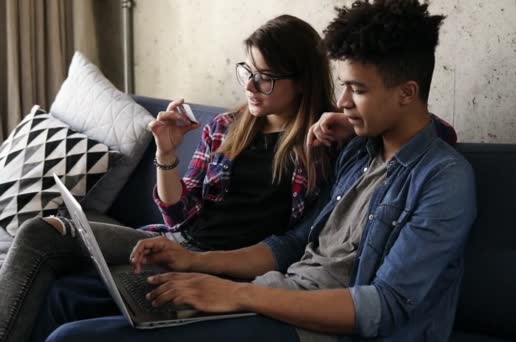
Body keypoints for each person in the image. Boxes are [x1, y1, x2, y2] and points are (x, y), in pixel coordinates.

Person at [39, 1, 476, 341]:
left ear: (407, 93)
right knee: (64, 299)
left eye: (357, 90)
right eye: (342, 85)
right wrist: (196, 261)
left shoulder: (442, 180)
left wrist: (235, 293)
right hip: (277, 290)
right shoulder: (359, 152)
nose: (341, 101)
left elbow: (385, 307)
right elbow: (293, 242)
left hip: (316, 328)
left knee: (71, 338)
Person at [0, 14, 337, 342]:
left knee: (64, 294)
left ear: (303, 80)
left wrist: (202, 264)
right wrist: (166, 154)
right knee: (43, 236)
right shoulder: (225, 128)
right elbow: (179, 215)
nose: (249, 85)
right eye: (247, 70)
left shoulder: (322, 146)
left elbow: (299, 242)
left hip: (226, 269)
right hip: (177, 243)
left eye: (265, 77)